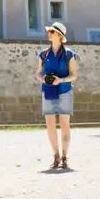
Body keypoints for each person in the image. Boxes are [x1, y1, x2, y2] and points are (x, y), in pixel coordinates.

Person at [38, 21, 78, 170]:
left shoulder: (69, 54)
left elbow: (74, 75)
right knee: (50, 126)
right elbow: (37, 73)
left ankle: (65, 157)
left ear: (60, 35)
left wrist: (61, 80)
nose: (49, 33)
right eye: (49, 31)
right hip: (47, 91)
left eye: (52, 32)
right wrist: (41, 78)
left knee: (65, 125)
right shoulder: (43, 54)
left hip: (65, 92)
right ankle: (55, 156)